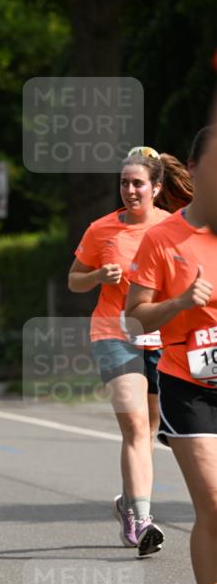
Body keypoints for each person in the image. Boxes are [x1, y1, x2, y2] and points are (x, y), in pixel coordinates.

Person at [68, 147, 192, 556]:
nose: (130, 190)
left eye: (138, 183)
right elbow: (74, 281)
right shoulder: (101, 229)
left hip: (161, 337)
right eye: (124, 183)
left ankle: (127, 503)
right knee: (136, 426)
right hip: (114, 333)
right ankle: (142, 519)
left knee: (149, 430)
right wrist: (97, 276)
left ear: (156, 187)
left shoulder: (176, 227)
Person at [126, 126, 217, 584]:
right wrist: (180, 302)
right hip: (189, 384)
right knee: (214, 504)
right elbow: (136, 316)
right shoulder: (164, 238)